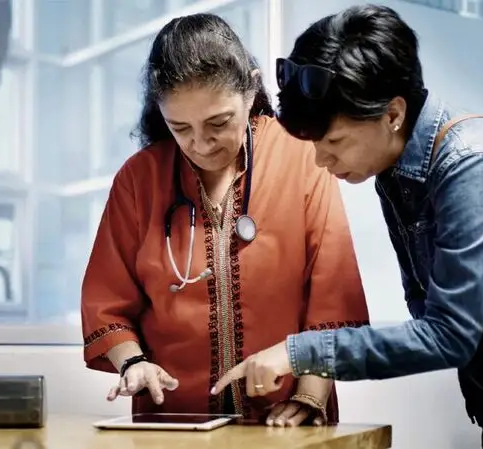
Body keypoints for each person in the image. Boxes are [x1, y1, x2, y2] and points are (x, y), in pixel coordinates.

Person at [211, 4, 483, 447]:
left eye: (334, 142)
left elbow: (448, 337)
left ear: (392, 114)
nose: (321, 160)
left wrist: (296, 353)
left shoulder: (474, 164)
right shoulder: (396, 169)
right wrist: (454, 315)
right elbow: (429, 313)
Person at [80, 13, 370, 427]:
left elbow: (332, 295)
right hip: (174, 424)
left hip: (287, 419)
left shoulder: (302, 156)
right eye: (180, 128)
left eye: (218, 123)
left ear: (251, 91)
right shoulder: (138, 178)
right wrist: (134, 363)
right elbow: (105, 301)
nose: (200, 143)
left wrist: (309, 395)